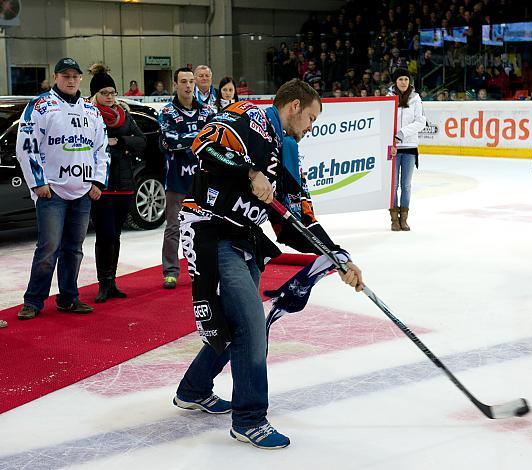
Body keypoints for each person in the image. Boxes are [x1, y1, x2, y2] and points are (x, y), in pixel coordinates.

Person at [174, 79, 363, 449]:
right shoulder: (251, 118)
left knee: (238, 324)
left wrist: (338, 256)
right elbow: (204, 145)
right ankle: (249, 419)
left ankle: (194, 389)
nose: (310, 127)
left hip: (244, 239)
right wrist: (249, 171)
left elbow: (298, 219)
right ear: (294, 106)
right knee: (250, 326)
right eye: (310, 118)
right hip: (211, 233)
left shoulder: (287, 149)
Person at [15, 58, 109, 320]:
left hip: (82, 191)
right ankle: (33, 301)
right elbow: (27, 145)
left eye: (75, 76)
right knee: (48, 247)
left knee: (74, 249)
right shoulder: (41, 106)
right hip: (52, 191)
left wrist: (98, 182)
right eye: (65, 75)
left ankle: (69, 298)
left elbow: (101, 149)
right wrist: (38, 182)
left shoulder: (91, 111)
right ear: (55, 77)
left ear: (81, 79)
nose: (70, 80)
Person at [89, 64, 147, 303]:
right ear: (95, 95)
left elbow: (141, 141)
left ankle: (112, 281)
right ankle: (103, 282)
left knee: (116, 235)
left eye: (112, 92)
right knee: (105, 234)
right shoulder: (87, 114)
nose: (110, 97)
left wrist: (119, 141)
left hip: (123, 182)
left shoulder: (125, 114)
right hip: (101, 183)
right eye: (105, 93)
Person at [158, 67, 213, 289]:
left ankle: (201, 268)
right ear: (175, 84)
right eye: (184, 81)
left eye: (191, 81)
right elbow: (169, 141)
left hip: (203, 179)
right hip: (177, 180)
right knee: (174, 227)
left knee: (204, 226)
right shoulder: (166, 112)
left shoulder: (208, 111)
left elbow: (214, 139)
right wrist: (198, 139)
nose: (189, 85)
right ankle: (170, 271)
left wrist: (187, 141)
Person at [388, 68, 426, 231]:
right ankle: (393, 219)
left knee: (406, 185)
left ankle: (404, 218)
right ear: (395, 82)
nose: (403, 82)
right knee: (393, 185)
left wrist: (401, 135)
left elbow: (421, 122)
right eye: (400, 79)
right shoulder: (389, 98)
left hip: (409, 147)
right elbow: (386, 120)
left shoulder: (416, 99)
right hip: (394, 148)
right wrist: (391, 141)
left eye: (406, 79)